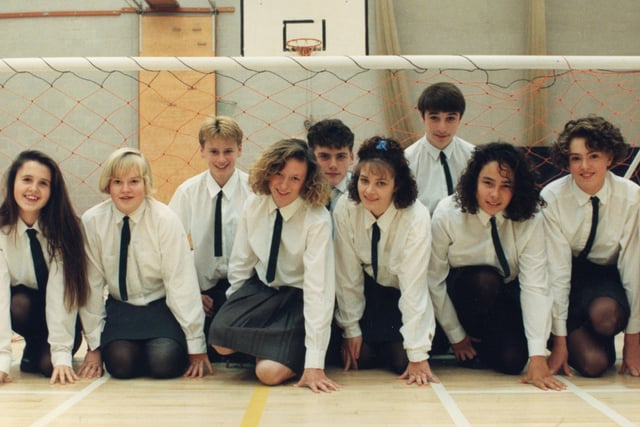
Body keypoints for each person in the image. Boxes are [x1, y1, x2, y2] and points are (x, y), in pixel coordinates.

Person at [428, 142, 565, 391]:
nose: (494, 194)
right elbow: (433, 279)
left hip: (502, 298)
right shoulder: (448, 212)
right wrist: (456, 335)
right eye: (488, 183)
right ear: (474, 181)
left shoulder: (530, 217)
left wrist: (537, 356)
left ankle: (480, 346)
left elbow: (535, 284)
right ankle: (455, 342)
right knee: (484, 280)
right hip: (460, 296)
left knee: (512, 361)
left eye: (506, 186)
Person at [209, 139, 339, 393]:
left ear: (306, 181)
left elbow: (317, 290)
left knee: (268, 374)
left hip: (298, 299)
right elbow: (241, 261)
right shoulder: (254, 203)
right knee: (220, 338)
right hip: (263, 290)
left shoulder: (317, 219)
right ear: (267, 171)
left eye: (294, 178)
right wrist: (236, 309)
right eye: (279, 174)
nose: (283, 185)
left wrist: (314, 364)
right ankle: (273, 348)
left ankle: (293, 352)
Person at [81, 147, 211, 379]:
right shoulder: (93, 221)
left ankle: (156, 349)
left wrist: (196, 346)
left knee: (164, 363)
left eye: (134, 181)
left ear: (146, 183)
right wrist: (93, 346)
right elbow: (91, 285)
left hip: (160, 307)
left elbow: (180, 282)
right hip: (121, 307)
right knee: (120, 365)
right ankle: (135, 351)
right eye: (118, 181)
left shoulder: (165, 220)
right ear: (108, 185)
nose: (126, 189)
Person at [333, 136, 437, 386]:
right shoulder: (346, 208)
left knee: (404, 361)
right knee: (361, 358)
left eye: (381, 183)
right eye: (364, 180)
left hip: (400, 292)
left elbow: (414, 288)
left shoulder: (416, 217)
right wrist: (351, 329)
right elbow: (347, 275)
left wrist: (418, 354)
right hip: (367, 292)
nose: (369, 191)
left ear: (397, 185)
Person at [542, 116, 640, 378]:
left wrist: (633, 341)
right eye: (575, 158)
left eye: (593, 156)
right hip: (568, 281)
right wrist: (560, 340)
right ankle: (567, 336)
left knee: (606, 316)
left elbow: (632, 267)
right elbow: (558, 273)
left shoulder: (631, 197)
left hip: (605, 280)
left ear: (609, 157)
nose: (584, 166)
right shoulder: (552, 198)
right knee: (593, 364)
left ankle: (599, 331)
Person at [0, 150, 101, 385]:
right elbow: (0, 295)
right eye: (26, 180)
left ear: (52, 191)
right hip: (26, 310)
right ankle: (33, 346)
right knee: (18, 302)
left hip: (64, 315)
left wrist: (62, 354)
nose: (33, 189)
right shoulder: (2, 229)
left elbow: (61, 294)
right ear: (12, 182)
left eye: (43, 183)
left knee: (49, 366)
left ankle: (38, 352)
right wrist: (2, 360)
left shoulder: (65, 230)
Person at [168, 117, 251, 352]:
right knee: (184, 349)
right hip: (202, 288)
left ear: (240, 150)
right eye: (214, 151)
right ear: (202, 151)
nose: (222, 159)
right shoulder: (187, 192)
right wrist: (191, 292)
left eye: (228, 151)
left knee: (231, 345)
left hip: (244, 286)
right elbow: (171, 247)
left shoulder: (254, 190)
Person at [404, 82, 474, 214]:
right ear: (422, 116)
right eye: (434, 118)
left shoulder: (474, 157)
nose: (442, 128)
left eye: (450, 118)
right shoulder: (406, 160)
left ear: (460, 118)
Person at [306, 118, 354, 212]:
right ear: (311, 157)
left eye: (340, 156)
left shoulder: (363, 194)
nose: (333, 165)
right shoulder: (299, 189)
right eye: (324, 156)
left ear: (351, 158)